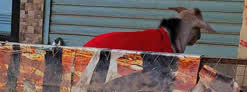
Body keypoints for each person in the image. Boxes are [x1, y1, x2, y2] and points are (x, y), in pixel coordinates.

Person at [83, 7, 214, 54]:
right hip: (97, 51)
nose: (198, 36)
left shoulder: (162, 40)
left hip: (95, 47)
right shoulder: (164, 47)